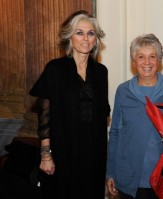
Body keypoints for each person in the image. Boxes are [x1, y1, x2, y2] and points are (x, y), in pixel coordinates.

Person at [29, 10, 110, 199]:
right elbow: (45, 118)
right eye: (79, 32)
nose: (86, 38)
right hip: (63, 151)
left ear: (96, 39)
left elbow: (103, 112)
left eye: (91, 33)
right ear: (69, 37)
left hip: (94, 152)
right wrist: (46, 155)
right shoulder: (55, 69)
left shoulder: (100, 72)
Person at [106, 33, 163, 199]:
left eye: (152, 56)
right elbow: (115, 132)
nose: (147, 62)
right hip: (128, 177)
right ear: (134, 62)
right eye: (141, 57)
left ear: (159, 61)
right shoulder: (123, 91)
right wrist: (110, 172)